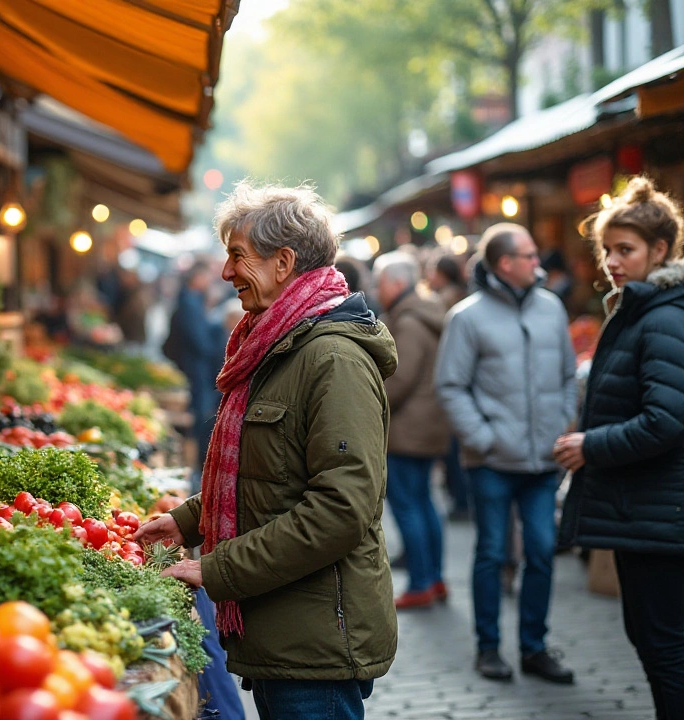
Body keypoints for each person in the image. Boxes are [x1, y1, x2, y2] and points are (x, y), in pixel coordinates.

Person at [136, 181, 398, 719]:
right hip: (285, 629)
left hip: (318, 636)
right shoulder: (276, 343)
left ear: (283, 262)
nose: (227, 273)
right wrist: (190, 521)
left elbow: (340, 510)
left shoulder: (332, 360)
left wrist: (220, 567)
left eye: (237, 256)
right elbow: (265, 478)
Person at [555, 177, 684, 718]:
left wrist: (592, 445)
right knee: (651, 641)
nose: (612, 261)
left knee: (662, 648)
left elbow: (666, 420)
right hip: (645, 506)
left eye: (626, 250)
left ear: (660, 252)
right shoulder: (641, 309)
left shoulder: (664, 318)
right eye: (607, 250)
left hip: (659, 508)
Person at [435, 222, 578, 684]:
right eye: (530, 255)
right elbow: (451, 386)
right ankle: (489, 648)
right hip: (492, 462)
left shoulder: (551, 307)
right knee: (492, 553)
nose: (539, 262)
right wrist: (483, 438)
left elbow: (566, 376)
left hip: (542, 461)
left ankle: (535, 648)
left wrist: (562, 422)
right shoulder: (467, 316)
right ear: (504, 264)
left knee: (540, 550)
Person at [373, 251, 450, 610]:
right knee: (424, 502)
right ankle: (433, 578)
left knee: (409, 506)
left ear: (398, 283)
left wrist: (370, 401)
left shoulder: (408, 322)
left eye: (381, 282)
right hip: (429, 425)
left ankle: (421, 581)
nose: (377, 289)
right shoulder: (426, 313)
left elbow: (399, 380)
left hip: (408, 430)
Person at [165, 257, 226, 488]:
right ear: (197, 278)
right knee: (200, 416)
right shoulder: (189, 302)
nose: (210, 281)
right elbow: (199, 341)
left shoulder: (193, 300)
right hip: (195, 368)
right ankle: (199, 467)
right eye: (207, 277)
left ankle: (199, 466)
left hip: (195, 367)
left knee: (201, 414)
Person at [426, 251, 471, 521]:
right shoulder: (457, 296)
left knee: (454, 448)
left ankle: (461, 499)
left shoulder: (444, 301)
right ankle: (461, 497)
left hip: (453, 376)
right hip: (460, 379)